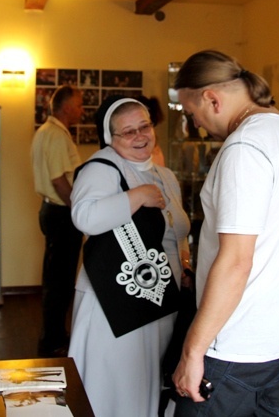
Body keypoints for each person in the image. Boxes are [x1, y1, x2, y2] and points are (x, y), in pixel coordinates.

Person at [171, 50, 279, 416]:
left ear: (212, 99)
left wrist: (192, 351)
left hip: (239, 348)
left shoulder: (244, 148)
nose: (199, 126)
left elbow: (237, 261)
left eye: (193, 115)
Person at [68, 97, 192, 416]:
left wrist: (184, 262)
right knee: (116, 386)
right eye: (128, 132)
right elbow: (85, 217)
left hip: (157, 297)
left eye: (144, 126)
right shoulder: (100, 168)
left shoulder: (164, 174)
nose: (139, 136)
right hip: (115, 303)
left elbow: (174, 232)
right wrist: (137, 196)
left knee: (146, 381)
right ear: (110, 137)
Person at [30, 85, 84, 357]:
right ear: (65, 107)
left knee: (57, 279)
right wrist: (80, 211)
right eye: (79, 104)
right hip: (61, 213)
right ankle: (52, 341)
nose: (82, 110)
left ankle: (54, 335)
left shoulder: (47, 132)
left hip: (53, 211)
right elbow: (58, 180)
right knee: (59, 282)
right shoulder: (56, 135)